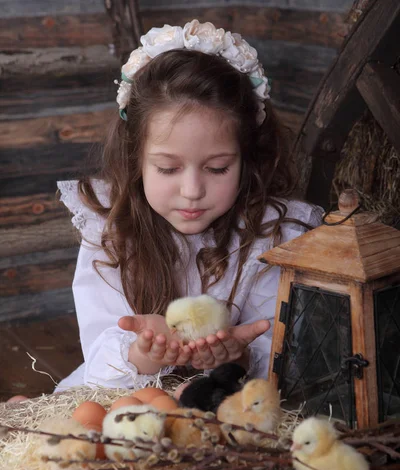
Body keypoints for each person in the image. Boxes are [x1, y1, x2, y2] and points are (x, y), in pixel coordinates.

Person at [11, 20, 324, 400]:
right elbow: (101, 356)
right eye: (168, 168)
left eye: (217, 168)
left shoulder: (270, 235)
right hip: (124, 400)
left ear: (247, 158)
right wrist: (144, 353)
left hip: (227, 404)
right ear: (136, 159)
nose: (192, 191)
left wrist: (236, 357)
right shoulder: (112, 230)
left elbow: (281, 353)